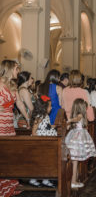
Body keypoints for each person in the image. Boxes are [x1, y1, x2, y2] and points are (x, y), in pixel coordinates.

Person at [0, 60, 28, 197]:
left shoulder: (13, 85)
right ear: (10, 69)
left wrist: (28, 118)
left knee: (9, 157)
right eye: (17, 69)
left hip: (9, 126)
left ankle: (9, 185)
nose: (18, 71)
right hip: (0, 126)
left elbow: (20, 104)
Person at [65, 98, 96, 188]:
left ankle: (75, 179)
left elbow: (70, 126)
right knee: (75, 161)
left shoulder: (76, 115)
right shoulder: (80, 115)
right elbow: (77, 118)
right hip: (78, 138)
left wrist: (69, 122)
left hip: (73, 136)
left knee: (75, 160)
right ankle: (73, 181)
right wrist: (69, 121)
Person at [29, 95, 57, 188]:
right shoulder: (39, 117)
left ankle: (45, 179)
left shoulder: (46, 116)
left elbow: (47, 127)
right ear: (44, 107)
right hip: (41, 143)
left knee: (47, 161)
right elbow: (34, 131)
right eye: (49, 106)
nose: (51, 107)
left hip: (47, 143)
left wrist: (55, 126)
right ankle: (33, 179)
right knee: (39, 162)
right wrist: (38, 142)